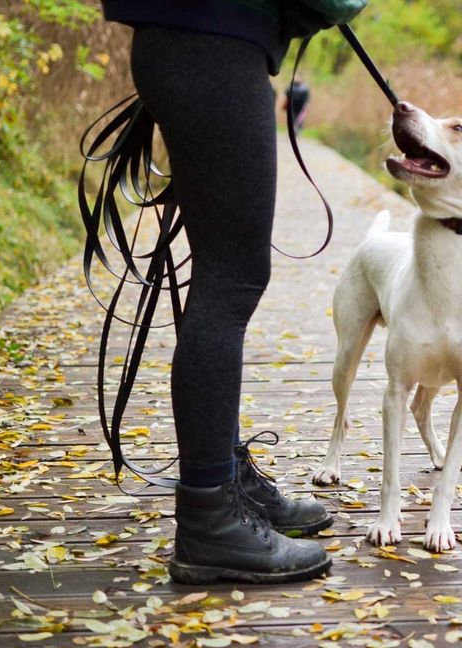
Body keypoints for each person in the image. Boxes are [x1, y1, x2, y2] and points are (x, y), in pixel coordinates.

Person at [100, 0, 367, 585]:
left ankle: (223, 480)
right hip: (212, 42)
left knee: (224, 274)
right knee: (233, 278)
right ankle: (209, 518)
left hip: (197, 38)